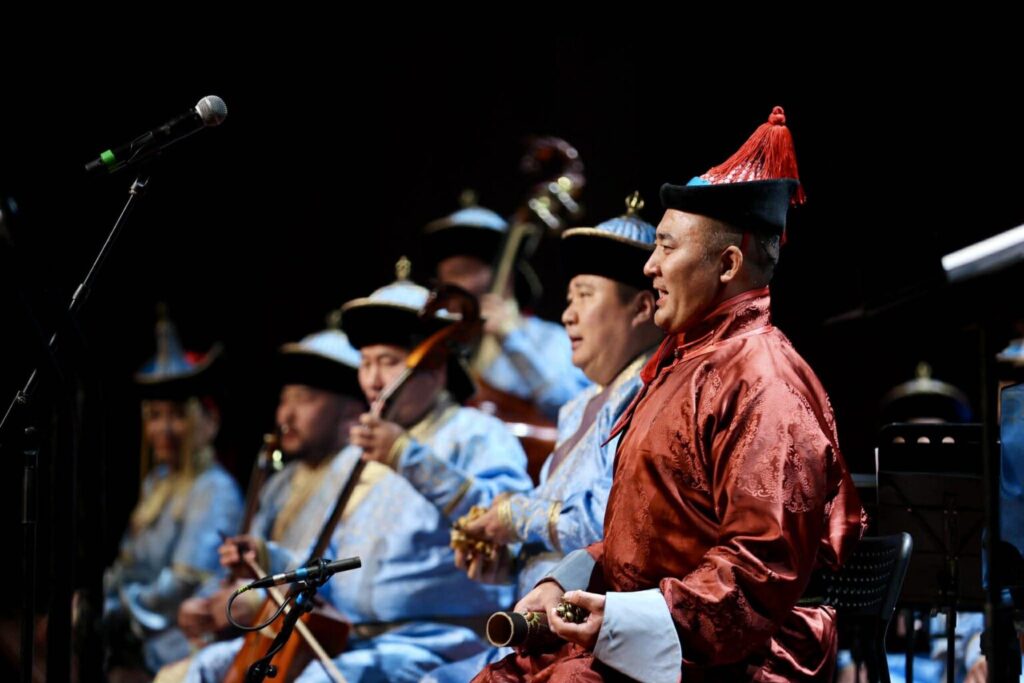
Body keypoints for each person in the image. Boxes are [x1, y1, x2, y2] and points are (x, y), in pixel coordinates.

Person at [474, 107, 865, 682]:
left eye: (665, 247)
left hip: (737, 657)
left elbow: (758, 573)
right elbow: (645, 543)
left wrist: (621, 620)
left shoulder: (765, 382)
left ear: (728, 264)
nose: (651, 266)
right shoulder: (685, 365)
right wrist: (566, 580)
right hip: (653, 635)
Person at [425, 191, 664, 683]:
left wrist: (514, 517)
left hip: (590, 638)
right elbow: (557, 522)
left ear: (642, 307)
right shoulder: (577, 408)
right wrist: (508, 558)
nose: (568, 314)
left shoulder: (650, 396)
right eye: (568, 298)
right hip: (539, 632)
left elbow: (613, 521)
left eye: (585, 296)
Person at [154, 327, 367, 681]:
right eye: (284, 400)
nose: (285, 416)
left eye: (305, 400)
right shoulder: (282, 482)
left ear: (351, 411)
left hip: (320, 635)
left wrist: (253, 601)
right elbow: (241, 564)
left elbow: (337, 575)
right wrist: (207, 601)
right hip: (268, 629)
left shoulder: (358, 475)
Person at [103, 310, 242, 677]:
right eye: (155, 415)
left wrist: (114, 611)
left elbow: (179, 586)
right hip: (133, 633)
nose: (163, 429)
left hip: (175, 642)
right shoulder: (157, 483)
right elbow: (128, 565)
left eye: (178, 414)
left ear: (209, 422)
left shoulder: (215, 490)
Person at [423, 198, 589, 420]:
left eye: (461, 272)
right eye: (443, 279)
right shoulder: (447, 348)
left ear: (505, 275)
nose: (449, 289)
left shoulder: (551, 339)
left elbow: (578, 411)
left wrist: (511, 339)